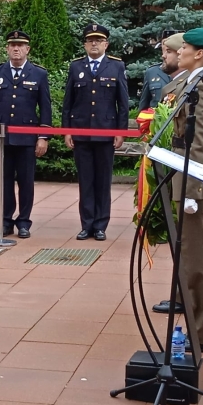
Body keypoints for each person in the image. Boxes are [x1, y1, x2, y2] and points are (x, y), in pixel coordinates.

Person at [150, 29, 203, 357]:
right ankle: (195, 316)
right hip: (189, 177)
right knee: (190, 256)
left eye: (184, 47)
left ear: (199, 53)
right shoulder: (193, 81)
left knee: (201, 260)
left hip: (197, 181)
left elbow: (198, 146)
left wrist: (190, 192)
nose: (178, 51)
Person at [0, 30, 52, 238]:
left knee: (26, 181)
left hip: (27, 138)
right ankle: (5, 220)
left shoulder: (39, 74)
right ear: (7, 48)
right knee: (5, 181)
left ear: (28, 49)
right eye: (12, 45)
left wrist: (43, 137)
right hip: (2, 138)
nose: (16, 49)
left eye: (20, 45)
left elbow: (45, 108)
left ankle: (24, 222)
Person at [62, 23, 129, 241]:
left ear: (106, 44)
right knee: (86, 181)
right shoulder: (76, 67)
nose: (94, 44)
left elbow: (122, 102)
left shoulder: (116, 67)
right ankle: (86, 224)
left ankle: (100, 225)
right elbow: (68, 103)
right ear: (84, 44)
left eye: (98, 40)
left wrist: (120, 132)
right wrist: (67, 131)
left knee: (102, 181)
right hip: (81, 132)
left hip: (106, 132)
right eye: (90, 40)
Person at [138, 32, 183, 110]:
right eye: (163, 44)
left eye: (169, 51)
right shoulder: (152, 71)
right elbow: (144, 105)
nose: (164, 55)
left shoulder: (192, 75)